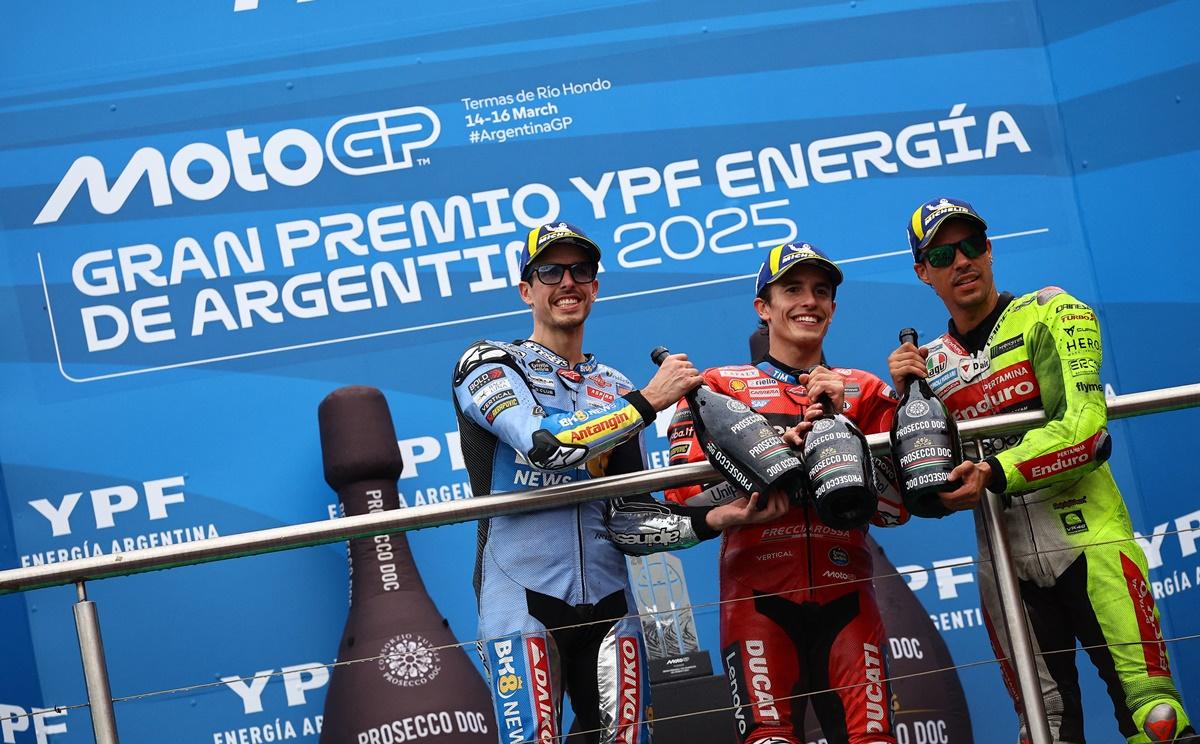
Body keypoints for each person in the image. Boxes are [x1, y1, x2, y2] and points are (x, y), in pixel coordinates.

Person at [451, 221, 786, 744]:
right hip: (520, 600)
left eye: (581, 270)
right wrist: (647, 404)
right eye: (550, 271)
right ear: (525, 289)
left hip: (611, 604)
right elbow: (546, 445)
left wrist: (718, 517)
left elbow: (630, 519)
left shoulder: (614, 386)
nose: (568, 282)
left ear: (596, 286)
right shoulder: (489, 363)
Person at [887, 197, 1194, 744]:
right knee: (1043, 730)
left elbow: (1086, 430)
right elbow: (918, 488)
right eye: (942, 253)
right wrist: (902, 402)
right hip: (1003, 563)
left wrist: (995, 471)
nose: (962, 261)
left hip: (1090, 541)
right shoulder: (926, 366)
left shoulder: (1052, 311)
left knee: (1156, 717)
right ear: (923, 272)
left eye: (972, 245)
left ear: (989, 248)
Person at [665, 241, 908, 744]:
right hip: (757, 602)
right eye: (792, 289)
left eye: (821, 292)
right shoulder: (718, 387)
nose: (809, 301)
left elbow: (897, 509)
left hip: (849, 599)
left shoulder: (863, 389)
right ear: (763, 308)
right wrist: (770, 459)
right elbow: (683, 496)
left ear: (834, 309)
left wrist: (845, 429)